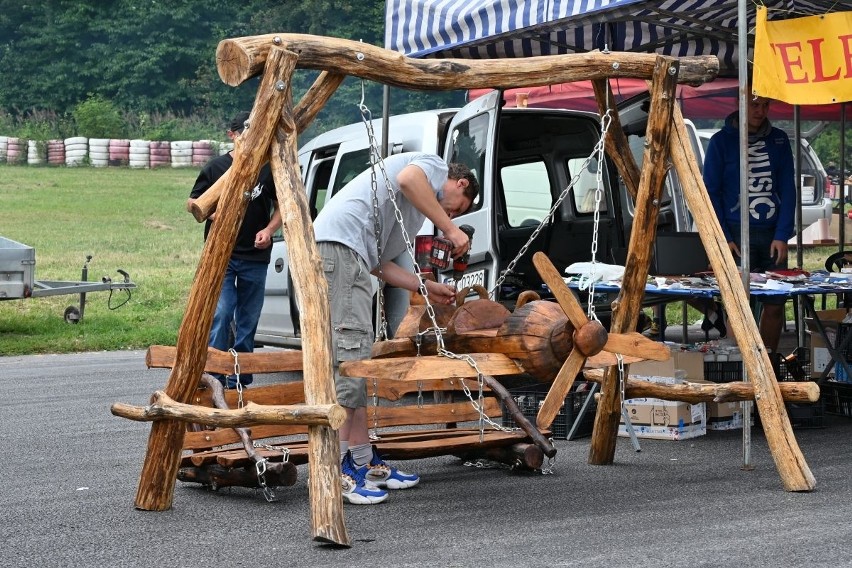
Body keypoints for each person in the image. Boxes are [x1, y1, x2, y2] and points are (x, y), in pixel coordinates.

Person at [313, 152, 479, 505]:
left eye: (456, 216)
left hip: (353, 257)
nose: (452, 215)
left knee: (358, 357)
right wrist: (450, 230)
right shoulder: (432, 166)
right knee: (349, 361)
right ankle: (337, 470)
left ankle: (361, 460)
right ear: (460, 183)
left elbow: (380, 265)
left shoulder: (412, 212)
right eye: (459, 208)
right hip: (340, 252)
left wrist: (424, 286)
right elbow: (407, 178)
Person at [186, 111, 282, 388]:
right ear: (232, 135)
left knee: (248, 318)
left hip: (255, 255)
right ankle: (214, 373)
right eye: (244, 134)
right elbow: (193, 203)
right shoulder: (216, 167)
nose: (249, 140)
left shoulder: (266, 168)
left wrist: (268, 230)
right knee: (223, 311)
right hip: (222, 255)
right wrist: (214, 214)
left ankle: (239, 375)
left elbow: (281, 207)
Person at [702, 89, 796, 354]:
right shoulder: (721, 141)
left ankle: (769, 365)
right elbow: (711, 192)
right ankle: (741, 365)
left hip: (771, 234)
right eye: (755, 104)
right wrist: (724, 238)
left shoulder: (779, 140)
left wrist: (782, 234)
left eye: (765, 105)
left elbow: (788, 188)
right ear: (740, 103)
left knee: (776, 303)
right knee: (738, 303)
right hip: (735, 231)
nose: (760, 111)